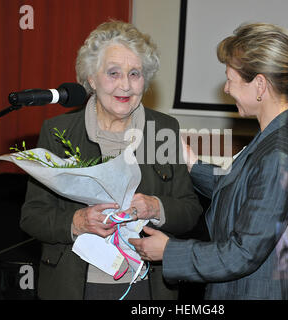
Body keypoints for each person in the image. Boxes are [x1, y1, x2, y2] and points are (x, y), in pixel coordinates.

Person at [129, 23, 288, 299]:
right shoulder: (286, 132)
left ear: (259, 84)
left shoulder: (280, 153)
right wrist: (192, 164)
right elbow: (248, 190)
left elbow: (242, 254)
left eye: (230, 79)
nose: (226, 88)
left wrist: (169, 251)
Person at [20, 21, 202, 300]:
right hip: (73, 287)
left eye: (135, 74)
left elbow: (190, 211)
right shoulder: (58, 132)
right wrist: (76, 221)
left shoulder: (163, 129)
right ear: (91, 79)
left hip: (147, 287)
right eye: (113, 73)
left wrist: (156, 207)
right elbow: (32, 216)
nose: (126, 85)